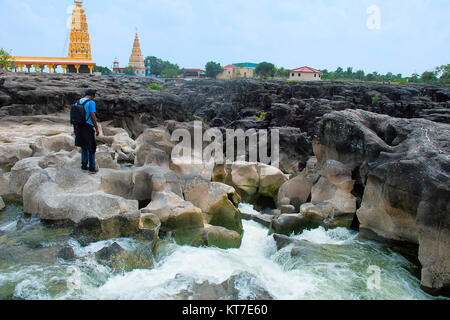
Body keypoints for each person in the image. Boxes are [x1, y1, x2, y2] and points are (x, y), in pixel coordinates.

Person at [74, 89, 100, 174]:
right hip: (88, 127)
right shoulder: (91, 103)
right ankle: (92, 167)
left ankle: (84, 165)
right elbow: (92, 115)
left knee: (83, 147)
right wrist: (96, 128)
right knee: (91, 147)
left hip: (79, 127)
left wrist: (75, 129)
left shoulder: (77, 102)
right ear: (92, 95)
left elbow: (74, 117)